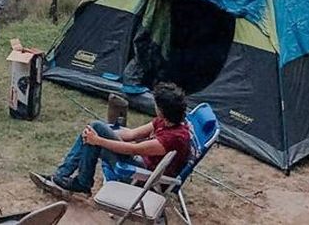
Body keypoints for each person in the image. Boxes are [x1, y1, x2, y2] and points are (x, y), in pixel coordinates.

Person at [33, 82, 192, 196]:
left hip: (143, 176)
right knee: (94, 130)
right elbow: (131, 135)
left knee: (95, 133)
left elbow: (133, 148)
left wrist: (99, 140)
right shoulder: (165, 121)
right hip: (140, 162)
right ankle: (67, 178)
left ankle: (72, 180)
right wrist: (102, 134)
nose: (154, 107)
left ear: (163, 110)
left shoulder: (174, 138)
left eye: (157, 105)